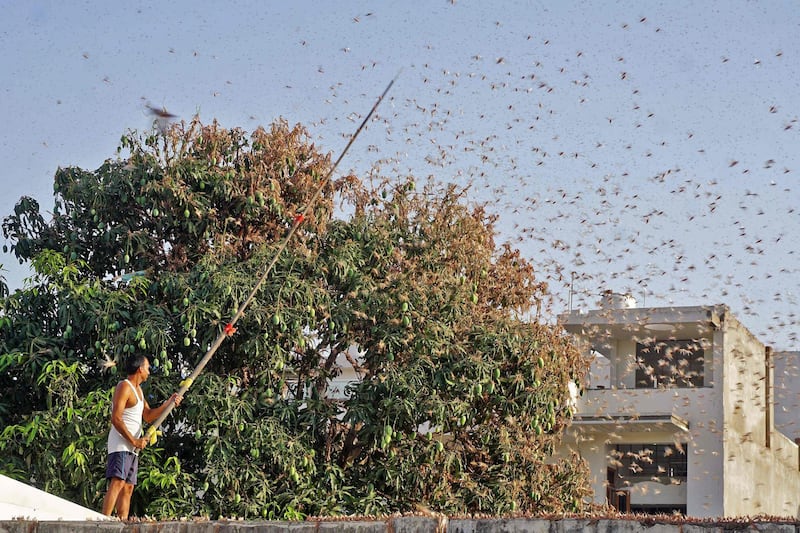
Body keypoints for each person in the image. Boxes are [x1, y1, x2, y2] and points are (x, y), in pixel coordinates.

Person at [102, 354, 182, 520]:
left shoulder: (138, 391)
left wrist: (169, 403)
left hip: (133, 447)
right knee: (118, 482)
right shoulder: (124, 386)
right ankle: (103, 522)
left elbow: (148, 415)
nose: (149, 372)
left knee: (128, 487)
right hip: (122, 444)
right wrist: (134, 441)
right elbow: (116, 419)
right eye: (148, 368)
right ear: (140, 369)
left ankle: (121, 523)